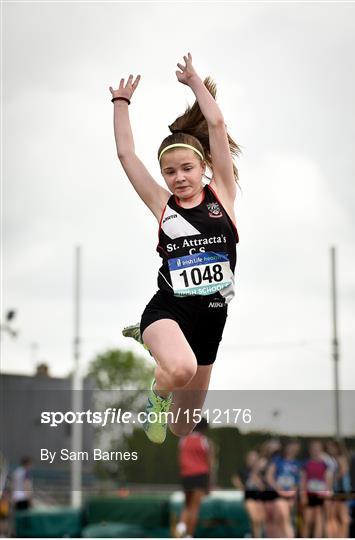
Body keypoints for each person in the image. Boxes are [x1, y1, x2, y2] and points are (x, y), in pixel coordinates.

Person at [109, 52, 240, 444]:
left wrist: (195, 82)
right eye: (170, 172)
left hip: (211, 319)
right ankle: (155, 375)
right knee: (178, 369)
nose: (179, 178)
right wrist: (121, 102)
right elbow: (126, 155)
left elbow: (215, 123)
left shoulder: (224, 197)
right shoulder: (162, 205)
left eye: (187, 169)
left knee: (183, 427)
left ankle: (150, 343)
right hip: (169, 309)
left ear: (204, 168)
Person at [174, 418, 213, 538]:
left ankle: (180, 530)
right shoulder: (205, 441)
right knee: (194, 508)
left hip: (186, 476)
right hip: (200, 476)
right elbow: (210, 463)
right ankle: (189, 535)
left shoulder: (183, 440)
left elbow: (179, 459)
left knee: (186, 506)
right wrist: (209, 483)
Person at [266, 440, 301, 538]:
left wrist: (291, 494)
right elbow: (269, 476)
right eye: (290, 448)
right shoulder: (277, 460)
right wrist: (278, 488)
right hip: (276, 494)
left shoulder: (298, 464)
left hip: (289, 495)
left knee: (285, 519)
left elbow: (298, 481)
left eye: (295, 449)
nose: (292, 451)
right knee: (275, 520)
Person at [300, 440, 333, 538]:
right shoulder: (306, 464)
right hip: (309, 495)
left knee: (319, 521)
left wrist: (327, 497)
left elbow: (328, 482)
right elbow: (303, 480)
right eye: (314, 448)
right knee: (307, 520)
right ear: (310, 450)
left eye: (318, 449)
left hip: (321, 495)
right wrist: (303, 495)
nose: (316, 450)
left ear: (321, 450)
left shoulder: (325, 465)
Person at [232, 450, 266, 538]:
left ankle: (257, 535)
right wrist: (241, 488)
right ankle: (254, 536)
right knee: (254, 518)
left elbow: (263, 487)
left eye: (254, 459)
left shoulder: (261, 472)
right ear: (246, 460)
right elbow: (235, 479)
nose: (252, 461)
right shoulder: (243, 470)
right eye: (250, 459)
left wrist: (255, 474)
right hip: (249, 496)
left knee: (260, 519)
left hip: (260, 497)